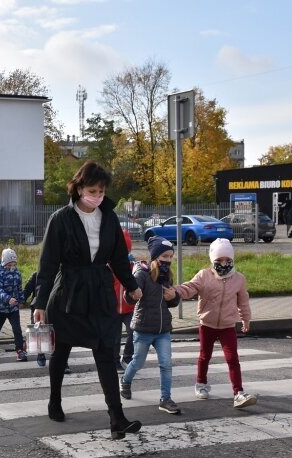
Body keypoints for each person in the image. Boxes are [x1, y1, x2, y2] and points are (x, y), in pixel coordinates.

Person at [33, 160, 143, 439]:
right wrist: (39, 304)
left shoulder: (109, 218)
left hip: (101, 293)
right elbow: (47, 265)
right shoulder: (60, 219)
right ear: (79, 188)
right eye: (92, 190)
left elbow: (119, 258)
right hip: (69, 294)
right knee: (62, 350)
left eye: (101, 191)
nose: (97, 196)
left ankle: (117, 418)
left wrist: (131, 286)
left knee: (107, 352)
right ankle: (54, 400)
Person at [173, 238, 258, 409]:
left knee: (232, 359)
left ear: (232, 260)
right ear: (212, 260)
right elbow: (190, 287)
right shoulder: (204, 275)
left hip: (228, 326)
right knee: (205, 356)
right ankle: (201, 384)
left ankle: (238, 393)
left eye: (227, 260)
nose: (223, 264)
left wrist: (246, 318)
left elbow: (243, 301)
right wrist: (175, 291)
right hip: (207, 324)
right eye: (219, 260)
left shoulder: (239, 279)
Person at [119, 236, 182, 415]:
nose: (168, 260)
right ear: (155, 257)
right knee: (137, 362)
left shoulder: (167, 275)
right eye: (165, 256)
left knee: (166, 364)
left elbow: (170, 302)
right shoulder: (142, 274)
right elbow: (129, 295)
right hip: (144, 328)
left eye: (171, 257)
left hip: (162, 330)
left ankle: (165, 399)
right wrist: (133, 295)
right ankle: (125, 380)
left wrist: (174, 298)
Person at [0, 248, 26, 361]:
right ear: (4, 263)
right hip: (0, 308)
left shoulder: (17, 273)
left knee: (17, 329)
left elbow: (19, 288)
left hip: (13, 308)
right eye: (9, 265)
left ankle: (20, 350)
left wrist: (21, 300)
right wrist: (7, 299)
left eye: (13, 264)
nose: (11, 267)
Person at [112, 229, 136, 373]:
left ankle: (127, 357)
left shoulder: (133, 266)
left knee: (134, 332)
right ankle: (114, 361)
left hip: (130, 308)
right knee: (114, 338)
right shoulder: (108, 266)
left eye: (125, 250)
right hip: (113, 309)